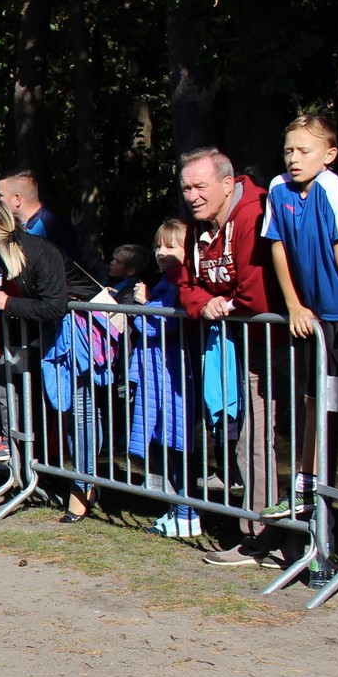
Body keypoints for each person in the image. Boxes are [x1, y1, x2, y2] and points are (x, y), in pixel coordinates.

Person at [172, 149, 277, 567]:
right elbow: (186, 285)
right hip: (230, 346)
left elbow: (257, 292)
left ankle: (269, 538)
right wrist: (207, 303)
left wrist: (225, 304)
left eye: (200, 186)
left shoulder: (253, 215)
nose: (192, 196)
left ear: (228, 184)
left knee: (258, 441)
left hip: (272, 345)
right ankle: (258, 534)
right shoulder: (197, 227)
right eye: (186, 188)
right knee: (242, 439)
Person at [260, 115, 338, 531]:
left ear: (329, 154)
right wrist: (294, 305)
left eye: (304, 150)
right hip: (310, 317)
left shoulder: (331, 188)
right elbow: (277, 246)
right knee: (311, 401)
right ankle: (304, 485)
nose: (294, 158)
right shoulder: (278, 187)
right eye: (289, 150)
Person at [0, 194, 89, 485]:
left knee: (70, 412)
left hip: (77, 338)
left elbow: (54, 306)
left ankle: (73, 483)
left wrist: (7, 304)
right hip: (32, 336)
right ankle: (16, 464)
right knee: (2, 387)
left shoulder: (39, 251)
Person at [128, 221, 200, 538]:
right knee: (160, 443)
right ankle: (176, 508)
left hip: (174, 374)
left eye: (170, 246)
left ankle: (187, 513)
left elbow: (162, 323)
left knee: (176, 444)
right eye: (158, 245)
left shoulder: (182, 283)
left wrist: (145, 305)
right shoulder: (165, 280)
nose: (161, 252)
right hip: (157, 373)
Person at [0, 170, 80, 266]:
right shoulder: (14, 228)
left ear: (17, 199)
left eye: (0, 196)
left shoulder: (53, 229)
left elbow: (70, 270)